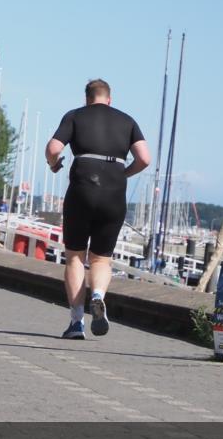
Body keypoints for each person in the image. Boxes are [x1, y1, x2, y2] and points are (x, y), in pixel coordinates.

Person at [45, 79, 151, 339]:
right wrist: (124, 173)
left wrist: (54, 163)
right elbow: (145, 158)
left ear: (87, 98)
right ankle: (97, 295)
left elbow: (53, 148)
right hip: (114, 192)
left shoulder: (75, 116)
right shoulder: (128, 121)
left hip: (82, 189)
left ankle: (77, 322)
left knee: (75, 257)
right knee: (102, 258)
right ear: (109, 99)